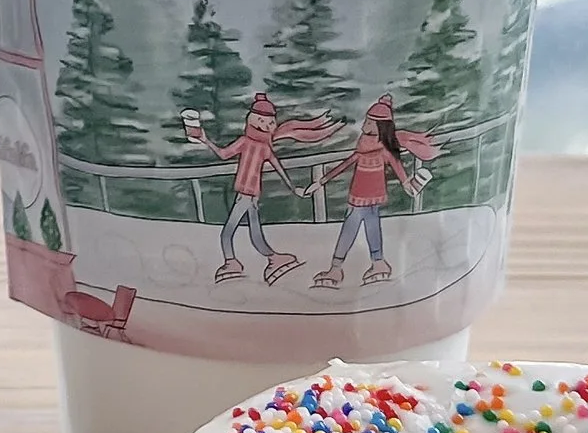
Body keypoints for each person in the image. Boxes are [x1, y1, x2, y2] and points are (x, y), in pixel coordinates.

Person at [182, 90, 336, 286]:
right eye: (262, 120)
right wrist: (204, 139)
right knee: (254, 232)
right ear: (252, 120)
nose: (266, 125)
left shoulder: (263, 147)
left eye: (269, 122)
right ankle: (272, 258)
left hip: (248, 195)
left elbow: (279, 168)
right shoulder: (245, 142)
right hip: (247, 195)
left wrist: (293, 188)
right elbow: (223, 154)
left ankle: (233, 263)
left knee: (228, 232)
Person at [314, 93, 438, 288]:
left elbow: (398, 168)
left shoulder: (383, 151)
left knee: (355, 228)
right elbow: (345, 164)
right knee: (364, 227)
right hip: (359, 196)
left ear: (380, 128)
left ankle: (341, 267)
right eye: (367, 120)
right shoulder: (363, 148)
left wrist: (408, 184)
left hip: (370, 197)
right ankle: (369, 263)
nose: (366, 124)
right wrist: (321, 181)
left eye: (370, 122)